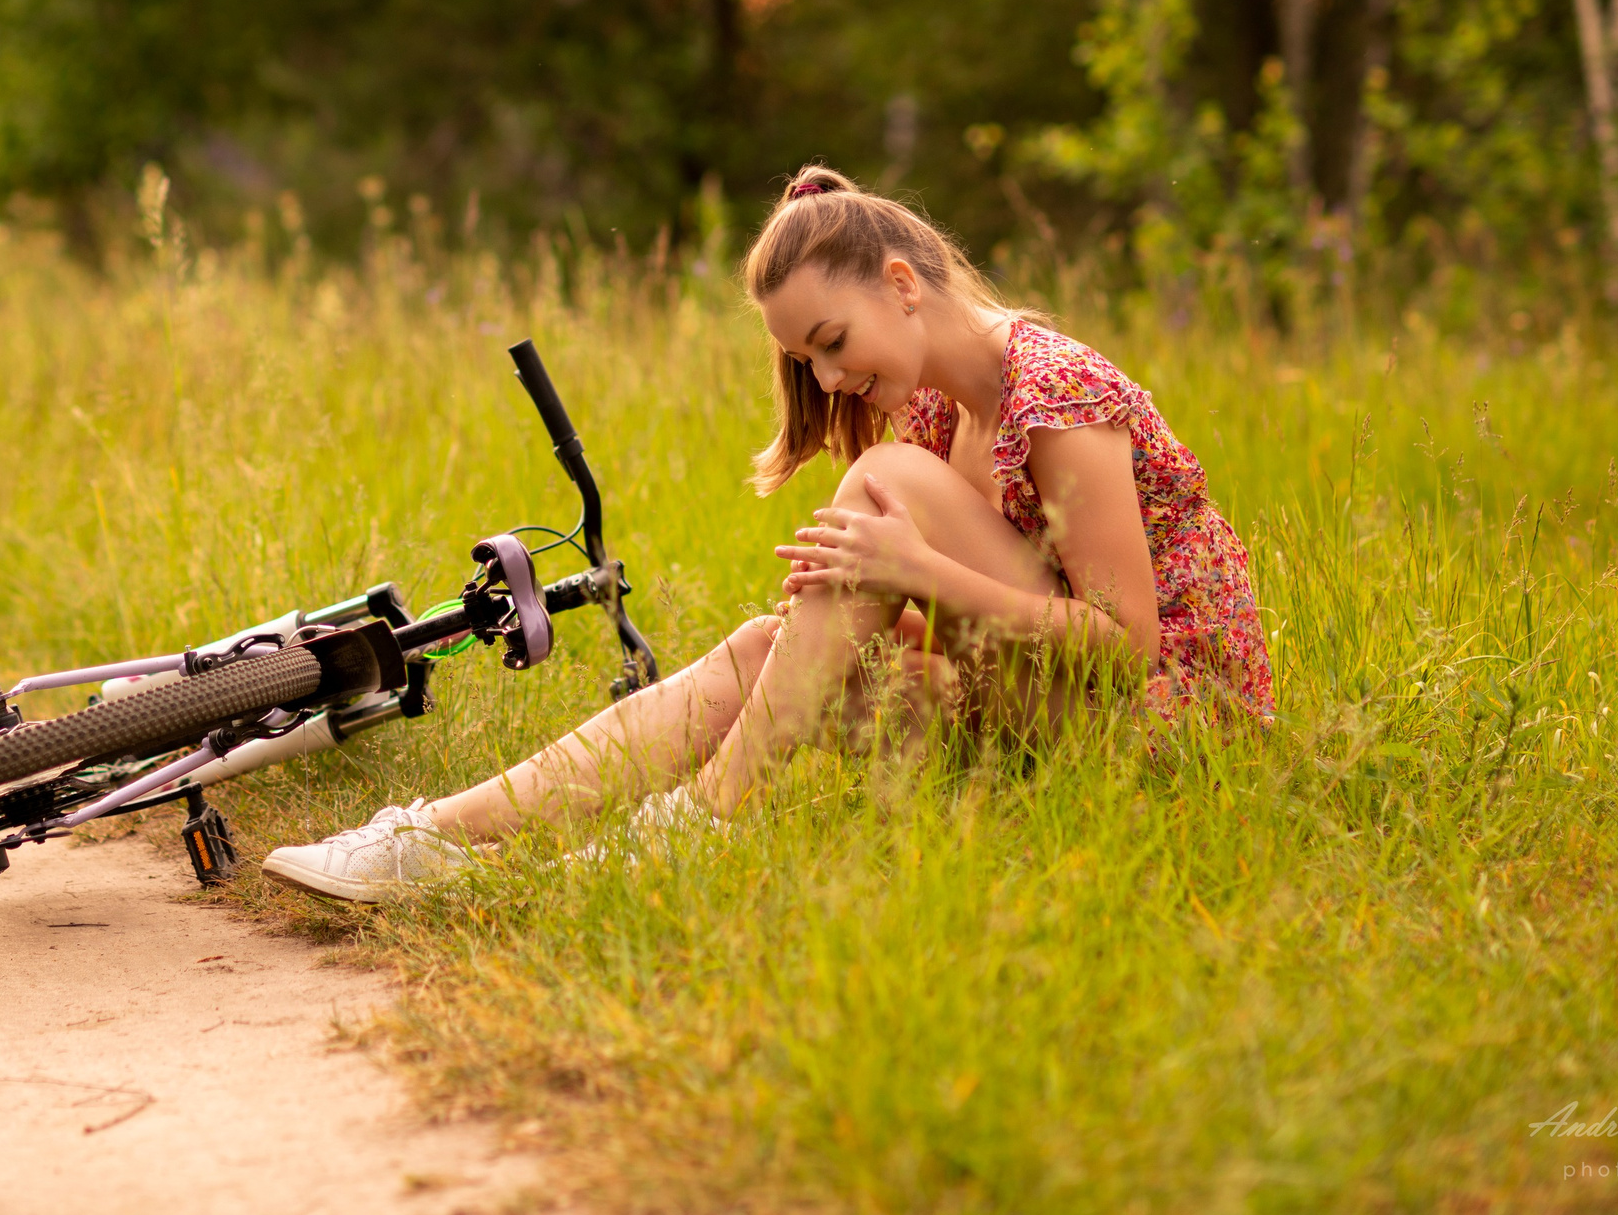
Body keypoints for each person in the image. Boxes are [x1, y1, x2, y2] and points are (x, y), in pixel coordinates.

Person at [260, 165, 1275, 903]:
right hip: (1037, 717)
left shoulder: (1057, 394)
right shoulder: (934, 406)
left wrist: (916, 571)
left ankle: (702, 821)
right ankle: (430, 838)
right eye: (807, 360)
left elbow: (1123, 649)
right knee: (761, 648)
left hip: (1166, 744)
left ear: (902, 283)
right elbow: (982, 624)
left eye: (831, 343)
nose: (828, 380)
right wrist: (849, 616)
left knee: (884, 483)